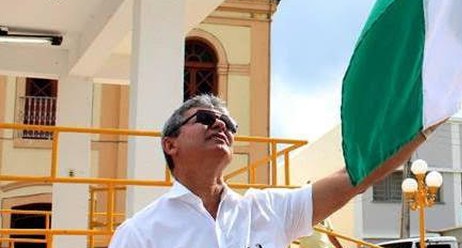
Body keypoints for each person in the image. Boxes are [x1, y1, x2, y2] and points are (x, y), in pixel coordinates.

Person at [108, 94, 432, 248]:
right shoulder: (140, 233)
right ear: (170, 145)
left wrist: (421, 126)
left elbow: (351, 179)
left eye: (229, 124)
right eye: (205, 118)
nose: (220, 124)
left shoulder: (267, 210)